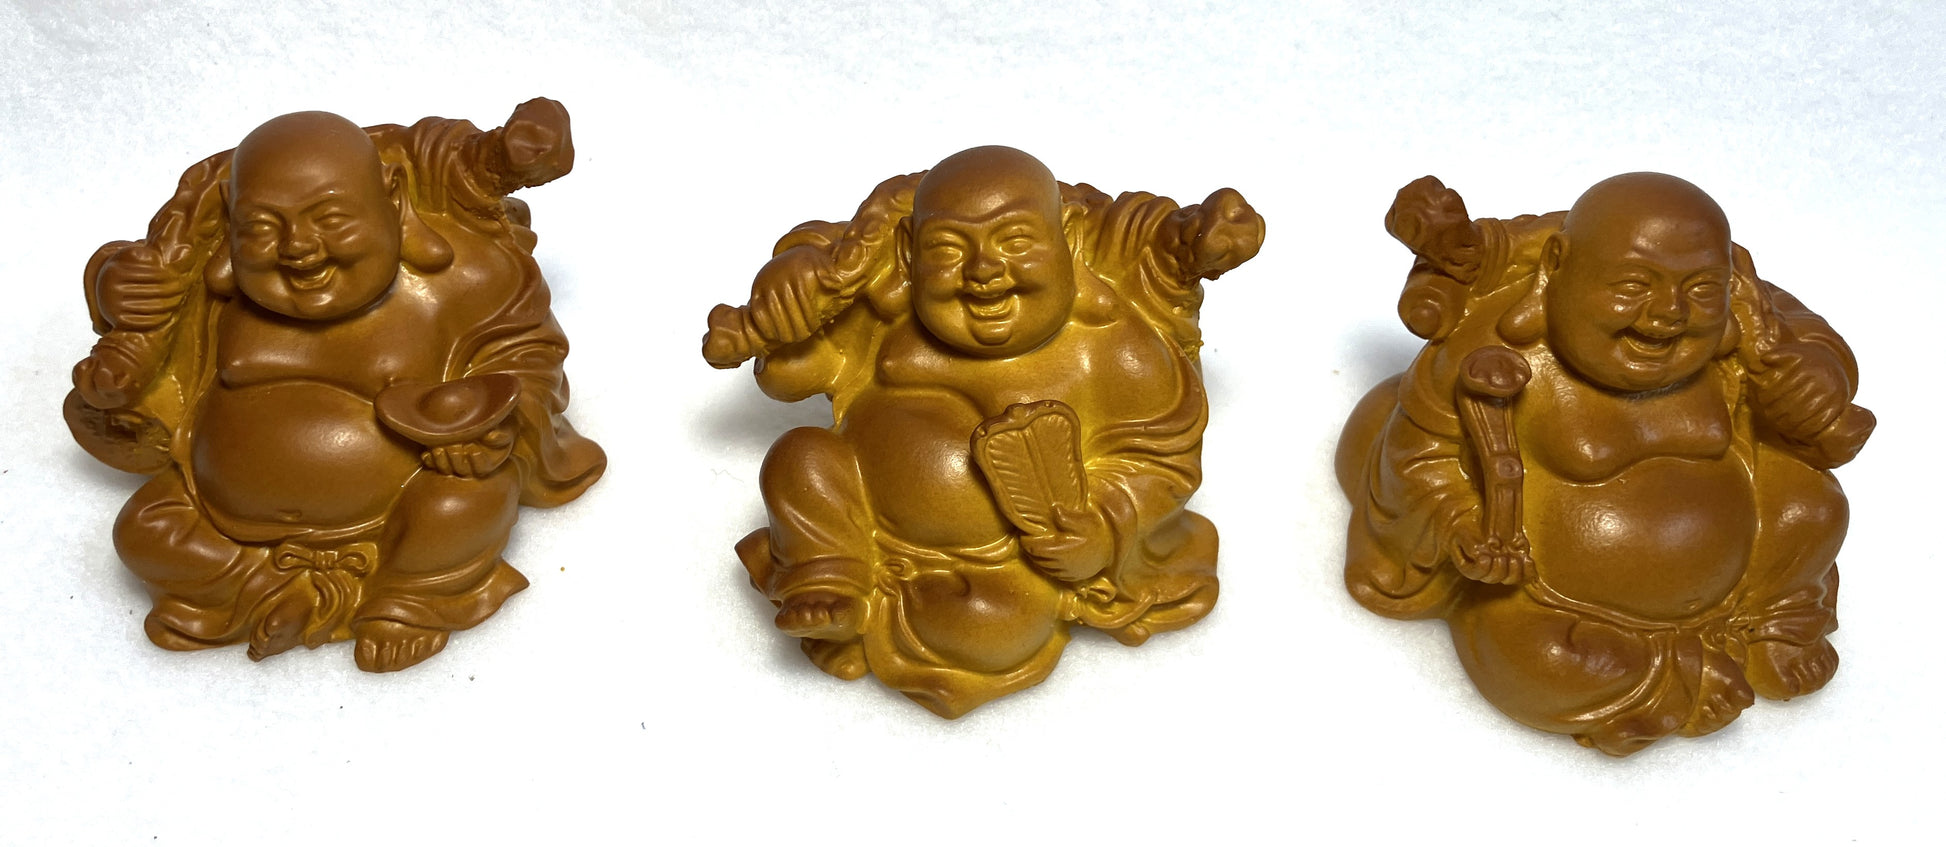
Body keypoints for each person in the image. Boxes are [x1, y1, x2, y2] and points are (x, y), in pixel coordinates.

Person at [706, 146, 1262, 717]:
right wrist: (787, 303)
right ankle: (830, 578)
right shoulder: (888, 321)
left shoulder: (1113, 350)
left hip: (1002, 563)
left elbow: (1160, 462)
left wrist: (1103, 531)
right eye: (947, 249)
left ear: (1067, 240)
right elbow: (792, 376)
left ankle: (891, 614)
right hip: (860, 511)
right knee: (798, 457)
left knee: (994, 630)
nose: (983, 272)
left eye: (1016, 241)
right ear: (908, 255)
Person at [1338, 173, 1872, 755]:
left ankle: (1773, 620)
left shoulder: (1743, 326)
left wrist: (1815, 379)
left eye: (1698, 289)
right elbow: (1422, 458)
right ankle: (1670, 679)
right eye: (1633, 284)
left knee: (1811, 504)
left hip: (1740, 565)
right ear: (1557, 267)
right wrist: (1461, 526)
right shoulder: (1495, 356)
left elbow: (1810, 340)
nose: (1667, 312)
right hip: (1560, 601)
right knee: (1539, 662)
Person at [65, 101, 605, 672]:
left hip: (402, 505)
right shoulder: (217, 295)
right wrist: (114, 293)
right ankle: (287, 588)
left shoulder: (459, 281)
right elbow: (141, 368)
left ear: (393, 201)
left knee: (469, 499)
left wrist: (495, 428)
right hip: (224, 512)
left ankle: (409, 597)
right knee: (143, 534)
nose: (298, 247)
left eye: (331, 218)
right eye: (263, 227)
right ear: (229, 224)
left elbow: (527, 357)